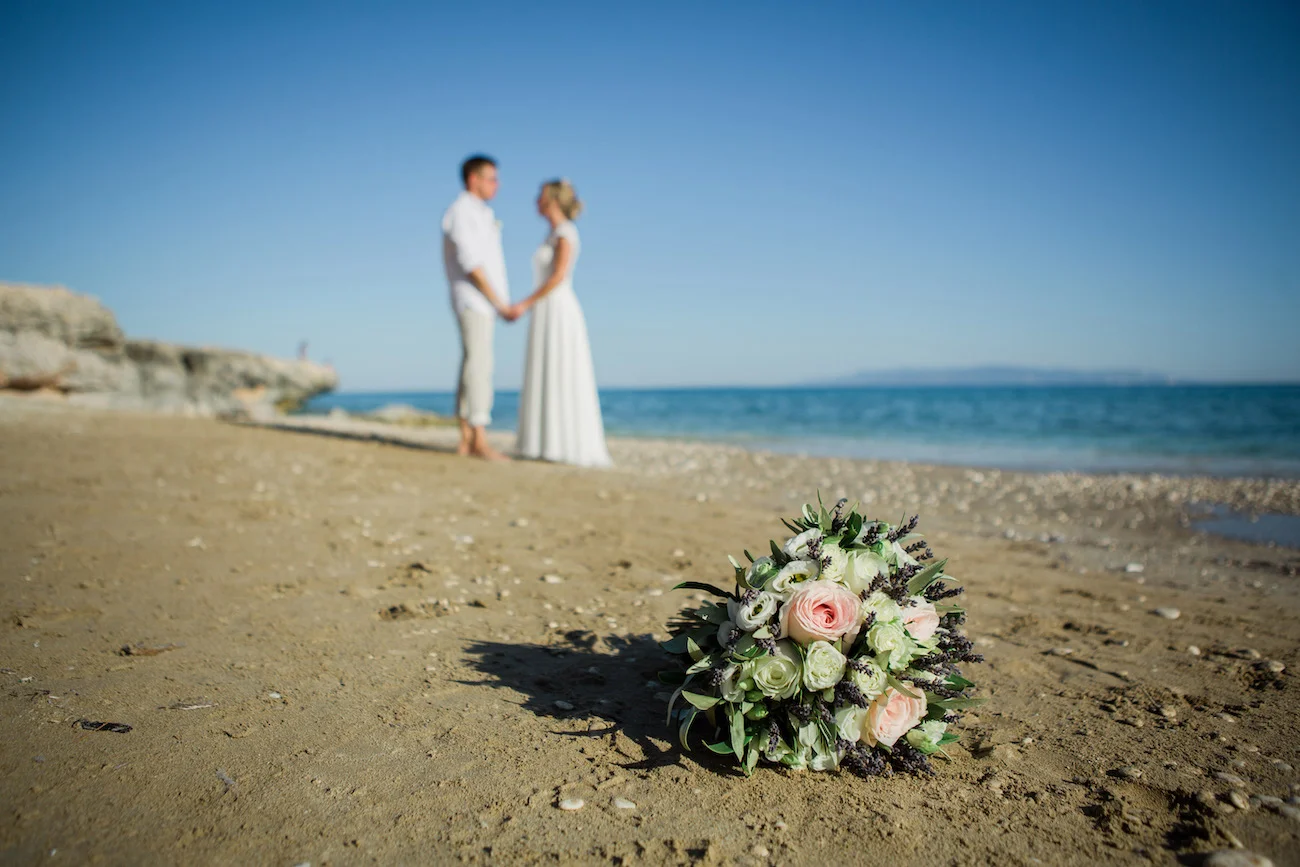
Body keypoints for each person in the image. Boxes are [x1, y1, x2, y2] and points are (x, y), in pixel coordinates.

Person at [509, 179, 612, 467]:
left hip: (558, 308)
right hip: (546, 308)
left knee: (561, 369)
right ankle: (541, 442)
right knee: (545, 370)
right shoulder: (551, 233)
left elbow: (558, 277)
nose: (535, 201)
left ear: (553, 200)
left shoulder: (565, 233)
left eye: (540, 196)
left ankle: (563, 444)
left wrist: (525, 303)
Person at [441, 155, 517, 460]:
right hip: (474, 299)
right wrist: (499, 303)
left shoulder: (481, 213)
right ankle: (478, 438)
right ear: (474, 178)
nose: (496, 185)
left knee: (472, 364)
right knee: (479, 365)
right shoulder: (462, 212)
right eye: (491, 178)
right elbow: (471, 263)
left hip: (482, 301)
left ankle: (468, 437)